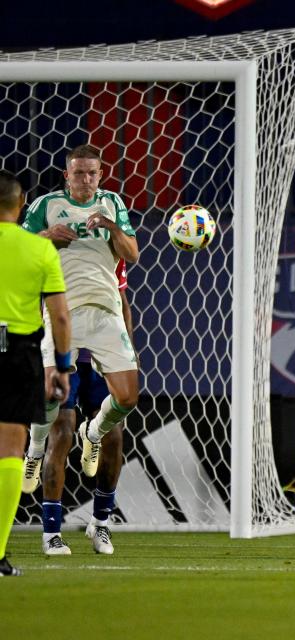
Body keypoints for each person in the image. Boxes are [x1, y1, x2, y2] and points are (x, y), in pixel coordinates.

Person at [21, 144, 140, 555]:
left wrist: (111, 226)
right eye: (78, 173)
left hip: (105, 314)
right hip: (61, 314)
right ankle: (50, 526)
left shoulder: (112, 206)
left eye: (92, 173)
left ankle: (96, 434)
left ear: (101, 174)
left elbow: (132, 256)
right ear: (66, 175)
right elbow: (18, 252)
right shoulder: (46, 205)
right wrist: (46, 236)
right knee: (56, 422)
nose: (85, 180)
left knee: (126, 401)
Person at [22, 260, 134, 555]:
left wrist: (128, 354)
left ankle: (100, 523)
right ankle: (51, 534)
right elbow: (40, 303)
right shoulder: (53, 247)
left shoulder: (107, 247)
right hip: (63, 354)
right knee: (61, 433)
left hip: (98, 357)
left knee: (115, 436)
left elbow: (122, 302)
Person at [0, 169, 71, 577]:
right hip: (17, 354)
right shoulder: (39, 250)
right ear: (21, 203)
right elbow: (60, 316)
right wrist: (61, 367)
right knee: (10, 449)